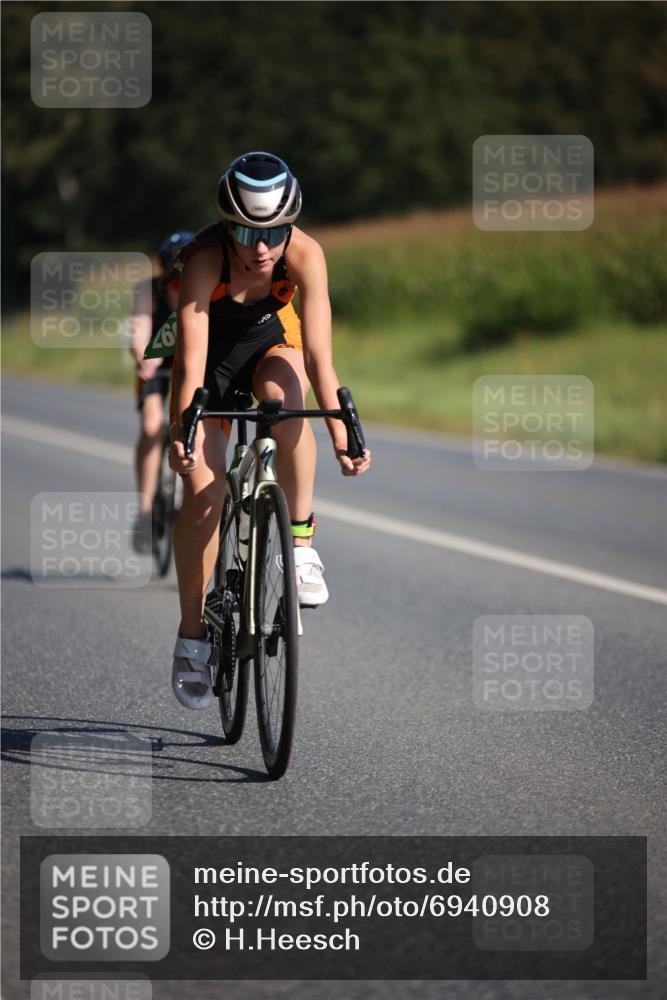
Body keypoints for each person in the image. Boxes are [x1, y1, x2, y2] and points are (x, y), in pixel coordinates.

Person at [168, 151, 371, 709]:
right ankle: (192, 636)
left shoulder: (305, 254)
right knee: (204, 492)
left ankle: (300, 544)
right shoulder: (205, 262)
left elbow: (322, 359)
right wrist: (181, 437)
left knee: (286, 402)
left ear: (291, 225)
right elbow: (188, 368)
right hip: (209, 364)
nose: (261, 247)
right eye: (245, 230)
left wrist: (341, 437)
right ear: (225, 223)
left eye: (274, 232)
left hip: (267, 346)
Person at [130, 232, 193, 550]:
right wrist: (143, 360)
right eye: (174, 276)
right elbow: (139, 333)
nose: (180, 282)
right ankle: (144, 510)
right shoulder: (147, 290)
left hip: (191, 360)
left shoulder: (203, 283)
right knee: (152, 425)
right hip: (156, 362)